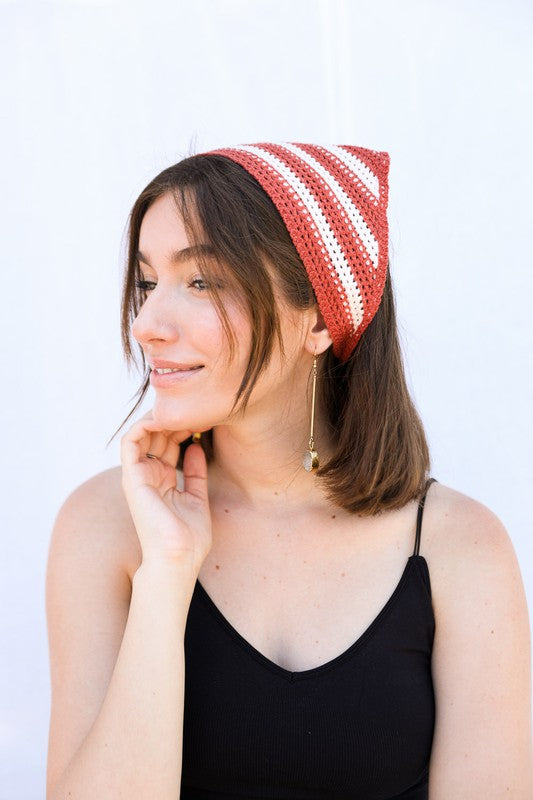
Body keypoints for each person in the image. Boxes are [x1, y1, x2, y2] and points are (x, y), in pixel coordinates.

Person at [45, 142, 533, 799]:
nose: (146, 324)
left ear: (318, 319)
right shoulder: (105, 526)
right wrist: (167, 571)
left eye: (202, 281)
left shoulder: (458, 548)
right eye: (145, 282)